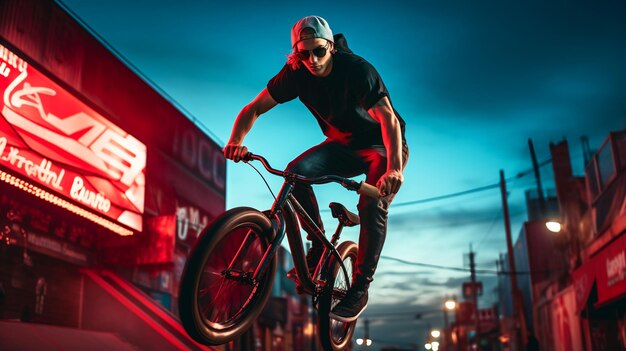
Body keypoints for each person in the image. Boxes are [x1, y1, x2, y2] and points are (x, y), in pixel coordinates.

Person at [223, 15, 408, 322]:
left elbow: (387, 119)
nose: (312, 60)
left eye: (318, 52)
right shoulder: (295, 73)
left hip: (383, 146)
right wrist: (236, 140)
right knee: (295, 173)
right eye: (303, 54)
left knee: (372, 203)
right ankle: (317, 244)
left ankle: (360, 287)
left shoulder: (357, 70)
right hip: (342, 147)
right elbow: (254, 108)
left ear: (331, 47)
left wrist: (395, 169)